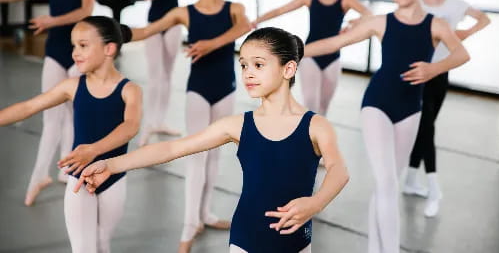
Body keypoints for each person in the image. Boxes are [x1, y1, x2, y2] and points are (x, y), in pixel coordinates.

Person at [75, 27, 349, 253]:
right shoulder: (238, 125)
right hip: (245, 240)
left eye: (258, 65)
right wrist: (111, 165)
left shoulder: (315, 126)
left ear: (288, 69)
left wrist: (316, 203)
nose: (248, 73)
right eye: (243, 65)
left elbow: (339, 170)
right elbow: (173, 147)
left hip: (298, 244)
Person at [304, 0, 470, 253]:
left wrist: (435, 68)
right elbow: (332, 43)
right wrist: (291, 50)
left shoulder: (437, 25)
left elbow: (462, 54)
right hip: (377, 104)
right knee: (386, 182)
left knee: (388, 185)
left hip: (411, 108)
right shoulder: (379, 22)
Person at [130, 0, 251, 252]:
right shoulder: (183, 12)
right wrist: (108, 33)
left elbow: (243, 27)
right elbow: (146, 31)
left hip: (226, 89)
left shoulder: (235, 8)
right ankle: (188, 227)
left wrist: (211, 43)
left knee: (214, 157)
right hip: (198, 90)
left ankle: (205, 214)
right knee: (197, 157)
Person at [0, 16, 141, 252]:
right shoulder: (72, 86)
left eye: (83, 45)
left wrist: (94, 150)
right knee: (83, 248)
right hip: (79, 177)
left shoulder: (130, 90)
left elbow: (130, 126)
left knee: (102, 242)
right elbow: (28, 107)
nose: (75, 52)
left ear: (109, 48)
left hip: (114, 177)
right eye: (74, 45)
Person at [0, 0, 96, 205]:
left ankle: (66, 169)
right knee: (52, 119)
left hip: (78, 58)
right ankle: (37, 178)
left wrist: (52, 20)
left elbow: (84, 11)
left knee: (73, 116)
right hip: (55, 55)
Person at [78, 0, 189, 144]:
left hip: (174, 24)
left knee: (167, 75)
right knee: (155, 75)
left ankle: (160, 120)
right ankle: (148, 123)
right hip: (154, 24)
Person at [403, 0, 491, 218]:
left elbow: (484, 19)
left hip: (440, 74)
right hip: (417, 72)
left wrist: (464, 33)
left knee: (425, 128)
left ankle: (409, 181)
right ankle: (433, 188)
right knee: (426, 127)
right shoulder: (414, 2)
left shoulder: (455, 5)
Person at [252, 0, 371, 116]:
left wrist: (354, 22)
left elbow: (370, 16)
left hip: (333, 58)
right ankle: (308, 139)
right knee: (311, 104)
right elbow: (280, 10)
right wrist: (256, 20)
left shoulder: (346, 0)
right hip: (310, 55)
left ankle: (317, 139)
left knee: (323, 107)